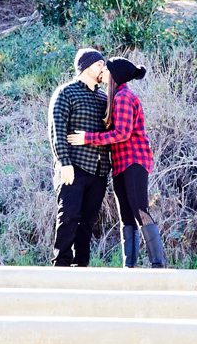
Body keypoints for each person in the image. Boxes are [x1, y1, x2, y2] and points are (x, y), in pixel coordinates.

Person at [70, 57, 166, 268]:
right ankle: (129, 265)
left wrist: (88, 138)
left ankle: (158, 264)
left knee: (140, 210)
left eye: (107, 68)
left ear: (115, 75)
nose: (103, 70)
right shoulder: (115, 97)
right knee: (126, 215)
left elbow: (122, 134)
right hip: (121, 164)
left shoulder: (123, 97)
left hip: (134, 160)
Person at [47, 47, 110, 267]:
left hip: (99, 170)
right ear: (86, 67)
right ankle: (61, 266)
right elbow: (57, 130)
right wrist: (64, 163)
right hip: (73, 167)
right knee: (68, 217)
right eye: (100, 64)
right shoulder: (65, 92)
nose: (104, 68)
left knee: (88, 222)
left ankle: (81, 267)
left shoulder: (104, 97)